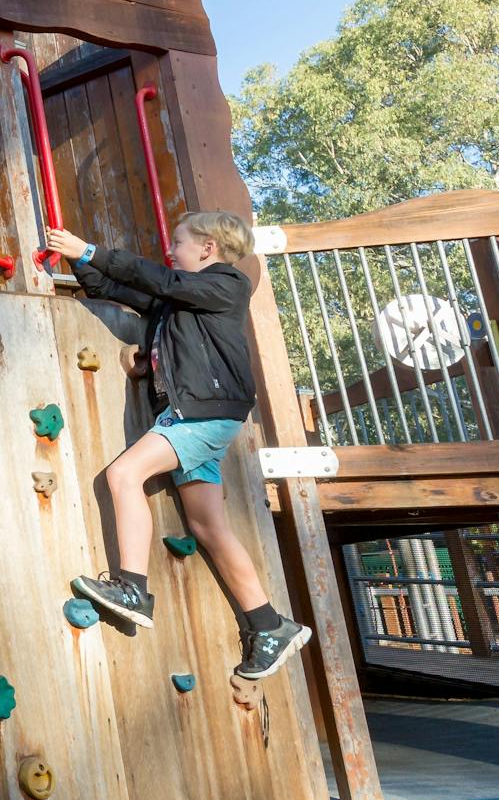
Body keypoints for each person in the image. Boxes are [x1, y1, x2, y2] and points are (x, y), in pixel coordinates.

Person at [44, 212, 314, 681]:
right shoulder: (176, 303)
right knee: (207, 526)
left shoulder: (227, 284)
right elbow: (114, 288)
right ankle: (268, 626)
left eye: (180, 241)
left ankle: (132, 588)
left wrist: (92, 250)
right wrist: (77, 261)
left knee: (123, 475)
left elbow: (161, 278)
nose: (172, 248)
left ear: (208, 248)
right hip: (203, 417)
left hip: (204, 413)